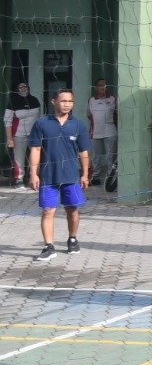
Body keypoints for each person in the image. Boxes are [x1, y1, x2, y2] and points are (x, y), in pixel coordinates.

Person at [27, 88, 90, 262]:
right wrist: (34, 173)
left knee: (72, 209)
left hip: (71, 176)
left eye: (70, 101)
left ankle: (72, 239)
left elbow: (83, 151)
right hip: (48, 176)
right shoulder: (41, 123)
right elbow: (35, 148)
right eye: (63, 101)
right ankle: (49, 247)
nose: (67, 104)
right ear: (54, 101)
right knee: (48, 210)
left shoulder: (78, 124)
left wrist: (85, 174)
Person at [5, 81, 42, 189]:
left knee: (36, 157)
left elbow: (38, 119)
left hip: (34, 134)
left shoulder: (35, 100)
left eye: (24, 86)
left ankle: (34, 177)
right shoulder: (13, 102)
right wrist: (9, 138)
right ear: (17, 89)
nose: (23, 88)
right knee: (19, 158)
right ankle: (19, 179)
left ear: (28, 88)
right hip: (19, 135)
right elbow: (7, 121)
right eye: (20, 86)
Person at [87, 78, 117, 187]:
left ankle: (110, 177)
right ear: (96, 87)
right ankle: (96, 177)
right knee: (96, 156)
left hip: (110, 131)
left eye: (105, 85)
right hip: (95, 132)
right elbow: (89, 115)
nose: (102, 87)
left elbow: (117, 114)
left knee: (111, 156)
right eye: (100, 85)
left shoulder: (113, 99)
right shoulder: (92, 100)